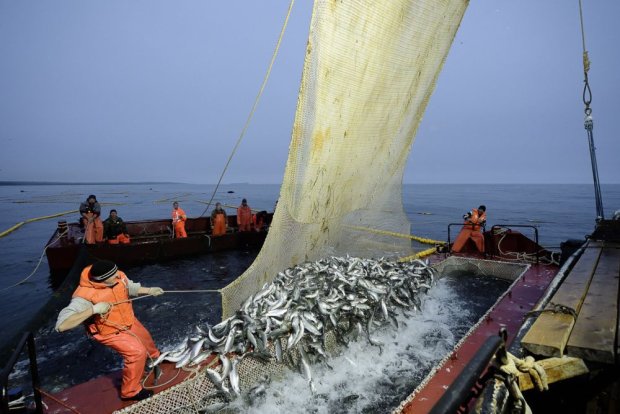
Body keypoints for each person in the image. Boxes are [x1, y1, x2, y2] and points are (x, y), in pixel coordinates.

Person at [55, 260, 164, 401]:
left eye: (117, 272)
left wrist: (149, 290)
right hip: (108, 331)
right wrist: (93, 309)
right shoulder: (83, 297)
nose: (118, 276)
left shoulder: (118, 275)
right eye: (113, 275)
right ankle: (130, 392)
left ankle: (154, 359)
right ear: (102, 279)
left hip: (128, 321)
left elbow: (128, 286)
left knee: (146, 339)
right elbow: (61, 325)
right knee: (136, 352)